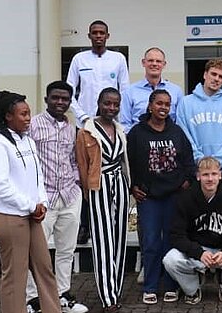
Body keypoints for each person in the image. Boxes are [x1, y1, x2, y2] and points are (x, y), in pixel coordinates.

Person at [0, 91, 60, 313]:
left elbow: (37, 177)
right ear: (8, 116)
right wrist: (30, 205)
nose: (28, 118)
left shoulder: (28, 141)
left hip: (31, 216)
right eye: (23, 114)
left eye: (29, 113)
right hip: (9, 218)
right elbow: (0, 186)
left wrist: (42, 202)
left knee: (44, 269)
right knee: (16, 277)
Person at [127, 89, 196, 305]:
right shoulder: (137, 133)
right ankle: (150, 285)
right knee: (150, 242)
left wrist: (186, 181)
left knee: (171, 241)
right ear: (150, 105)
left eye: (167, 104)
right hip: (149, 198)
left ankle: (171, 285)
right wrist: (132, 186)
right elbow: (129, 163)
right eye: (159, 103)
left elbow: (188, 160)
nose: (163, 108)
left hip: (174, 196)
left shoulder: (176, 132)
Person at [24, 82, 88, 313]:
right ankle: (33, 299)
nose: (60, 102)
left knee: (66, 250)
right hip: (44, 200)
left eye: (65, 99)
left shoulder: (71, 129)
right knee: (36, 252)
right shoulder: (33, 125)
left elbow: (72, 159)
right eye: (55, 98)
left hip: (69, 196)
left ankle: (62, 294)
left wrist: (76, 183)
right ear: (46, 99)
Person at [66, 20, 130, 244]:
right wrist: (83, 117)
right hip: (86, 127)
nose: (98, 36)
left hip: (112, 126)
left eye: (102, 33)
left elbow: (125, 89)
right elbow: (70, 92)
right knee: (86, 173)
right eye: (95, 33)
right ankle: (86, 224)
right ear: (89, 35)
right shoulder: (79, 59)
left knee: (110, 173)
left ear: (108, 35)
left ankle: (111, 220)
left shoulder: (118, 59)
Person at [163, 156, 222, 305]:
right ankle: (193, 288)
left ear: (220, 175)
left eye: (214, 174)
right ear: (198, 176)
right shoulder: (186, 198)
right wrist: (198, 252)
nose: (210, 179)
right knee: (170, 259)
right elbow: (177, 235)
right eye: (205, 174)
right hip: (198, 251)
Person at [75, 88, 130, 313]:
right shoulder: (86, 132)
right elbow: (81, 166)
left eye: (116, 104)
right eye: (107, 103)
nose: (112, 108)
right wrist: (87, 195)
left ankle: (115, 289)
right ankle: (108, 298)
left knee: (119, 239)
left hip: (121, 185)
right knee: (103, 240)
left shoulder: (120, 129)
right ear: (98, 103)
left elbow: (124, 161)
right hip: (99, 186)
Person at [176, 58, 222, 190]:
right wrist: (201, 162)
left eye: (221, 76)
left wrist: (215, 163)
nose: (216, 79)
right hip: (197, 173)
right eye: (213, 74)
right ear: (205, 74)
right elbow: (184, 137)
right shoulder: (186, 103)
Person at [120, 47, 184, 132]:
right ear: (143, 63)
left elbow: (180, 122)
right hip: (139, 141)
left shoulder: (176, 91)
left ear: (164, 64)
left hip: (168, 140)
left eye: (158, 61)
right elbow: (124, 124)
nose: (154, 64)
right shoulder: (129, 92)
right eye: (150, 60)